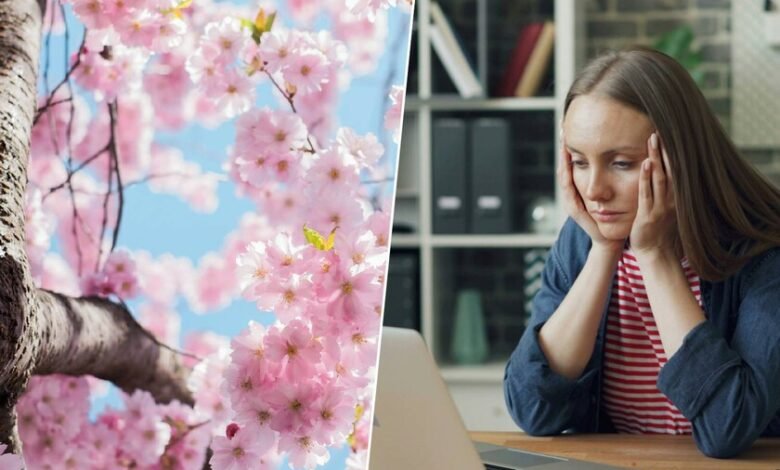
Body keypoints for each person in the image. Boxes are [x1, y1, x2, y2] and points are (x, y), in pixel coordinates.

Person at [503, 45, 780, 459]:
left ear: (681, 158)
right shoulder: (582, 240)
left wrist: (654, 256)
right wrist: (602, 250)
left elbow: (727, 427)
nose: (594, 191)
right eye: (579, 162)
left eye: (622, 164)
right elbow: (533, 410)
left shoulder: (762, 250)